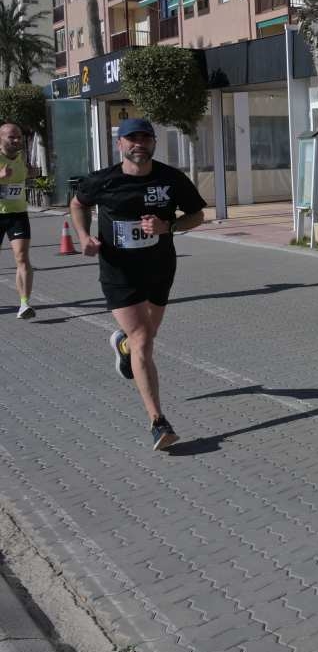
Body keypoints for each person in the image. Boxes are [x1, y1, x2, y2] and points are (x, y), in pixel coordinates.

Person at [70, 118, 206, 451]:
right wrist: (83, 236)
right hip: (119, 271)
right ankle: (158, 422)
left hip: (160, 268)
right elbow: (78, 203)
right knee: (143, 339)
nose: (139, 144)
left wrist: (168, 227)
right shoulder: (103, 180)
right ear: (120, 144)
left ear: (154, 143)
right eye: (132, 138)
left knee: (146, 337)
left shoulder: (170, 179)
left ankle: (123, 347)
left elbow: (197, 215)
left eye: (145, 138)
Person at [0, 123, 38, 319]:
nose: (16, 140)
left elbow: (24, 175)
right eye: (11, 137)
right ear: (1, 138)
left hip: (18, 214)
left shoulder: (23, 156)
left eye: (19, 137)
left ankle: (24, 304)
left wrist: (32, 172)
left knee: (22, 257)